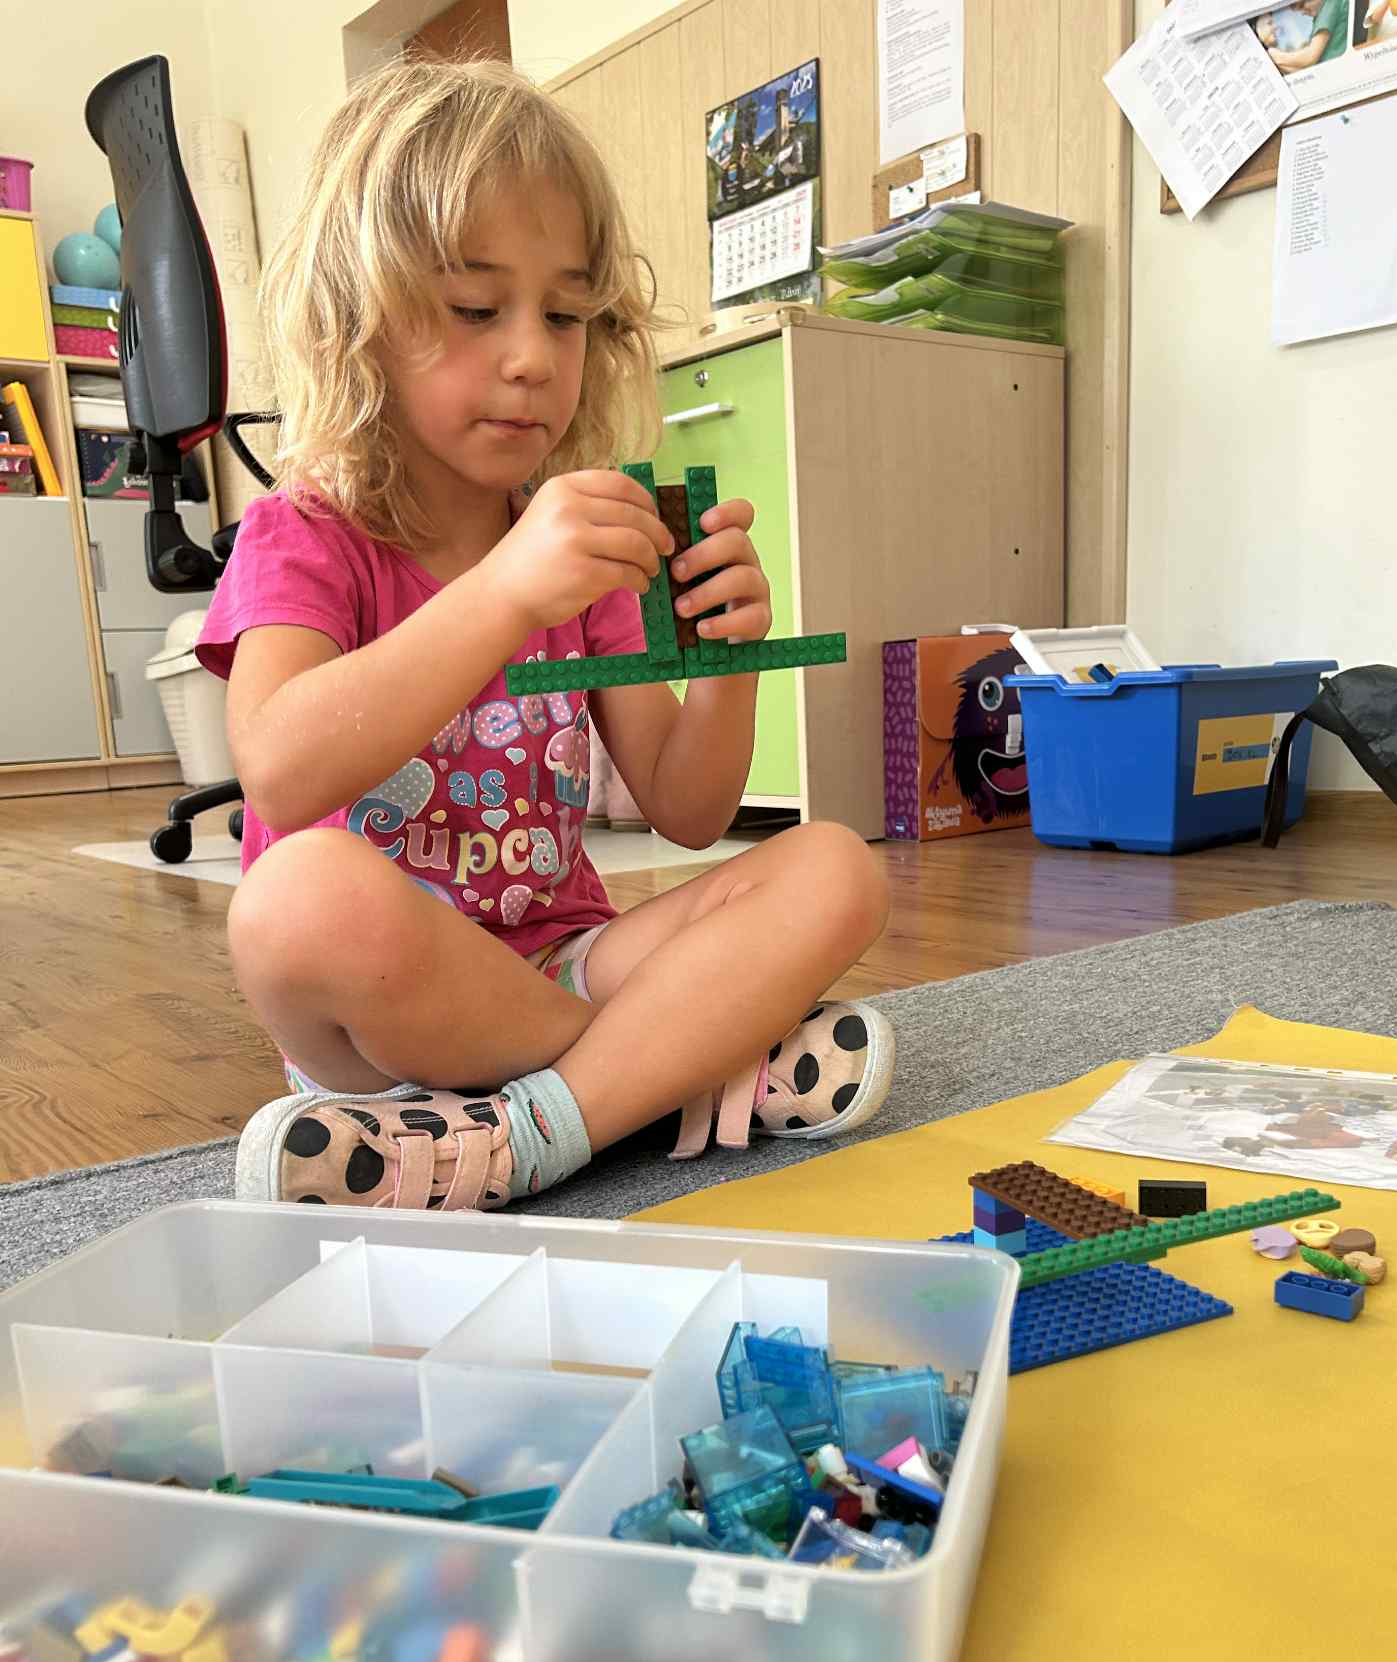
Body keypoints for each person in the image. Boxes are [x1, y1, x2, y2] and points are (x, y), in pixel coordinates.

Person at [198, 58, 893, 1212]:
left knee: (835, 868)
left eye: (565, 314)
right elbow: (277, 765)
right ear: (358, 319)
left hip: (563, 963)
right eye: (476, 309)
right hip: (385, 1010)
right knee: (292, 902)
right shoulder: (303, 532)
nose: (531, 356)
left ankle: (531, 1128)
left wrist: (726, 663)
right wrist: (504, 595)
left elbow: (689, 809)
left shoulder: (578, 547)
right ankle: (664, 1071)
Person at [1266, 0, 1350, 68]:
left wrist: (1277, 57)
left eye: (1301, 5)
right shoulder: (1319, 18)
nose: (1302, 13)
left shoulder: (1329, 5)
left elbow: (1310, 57)